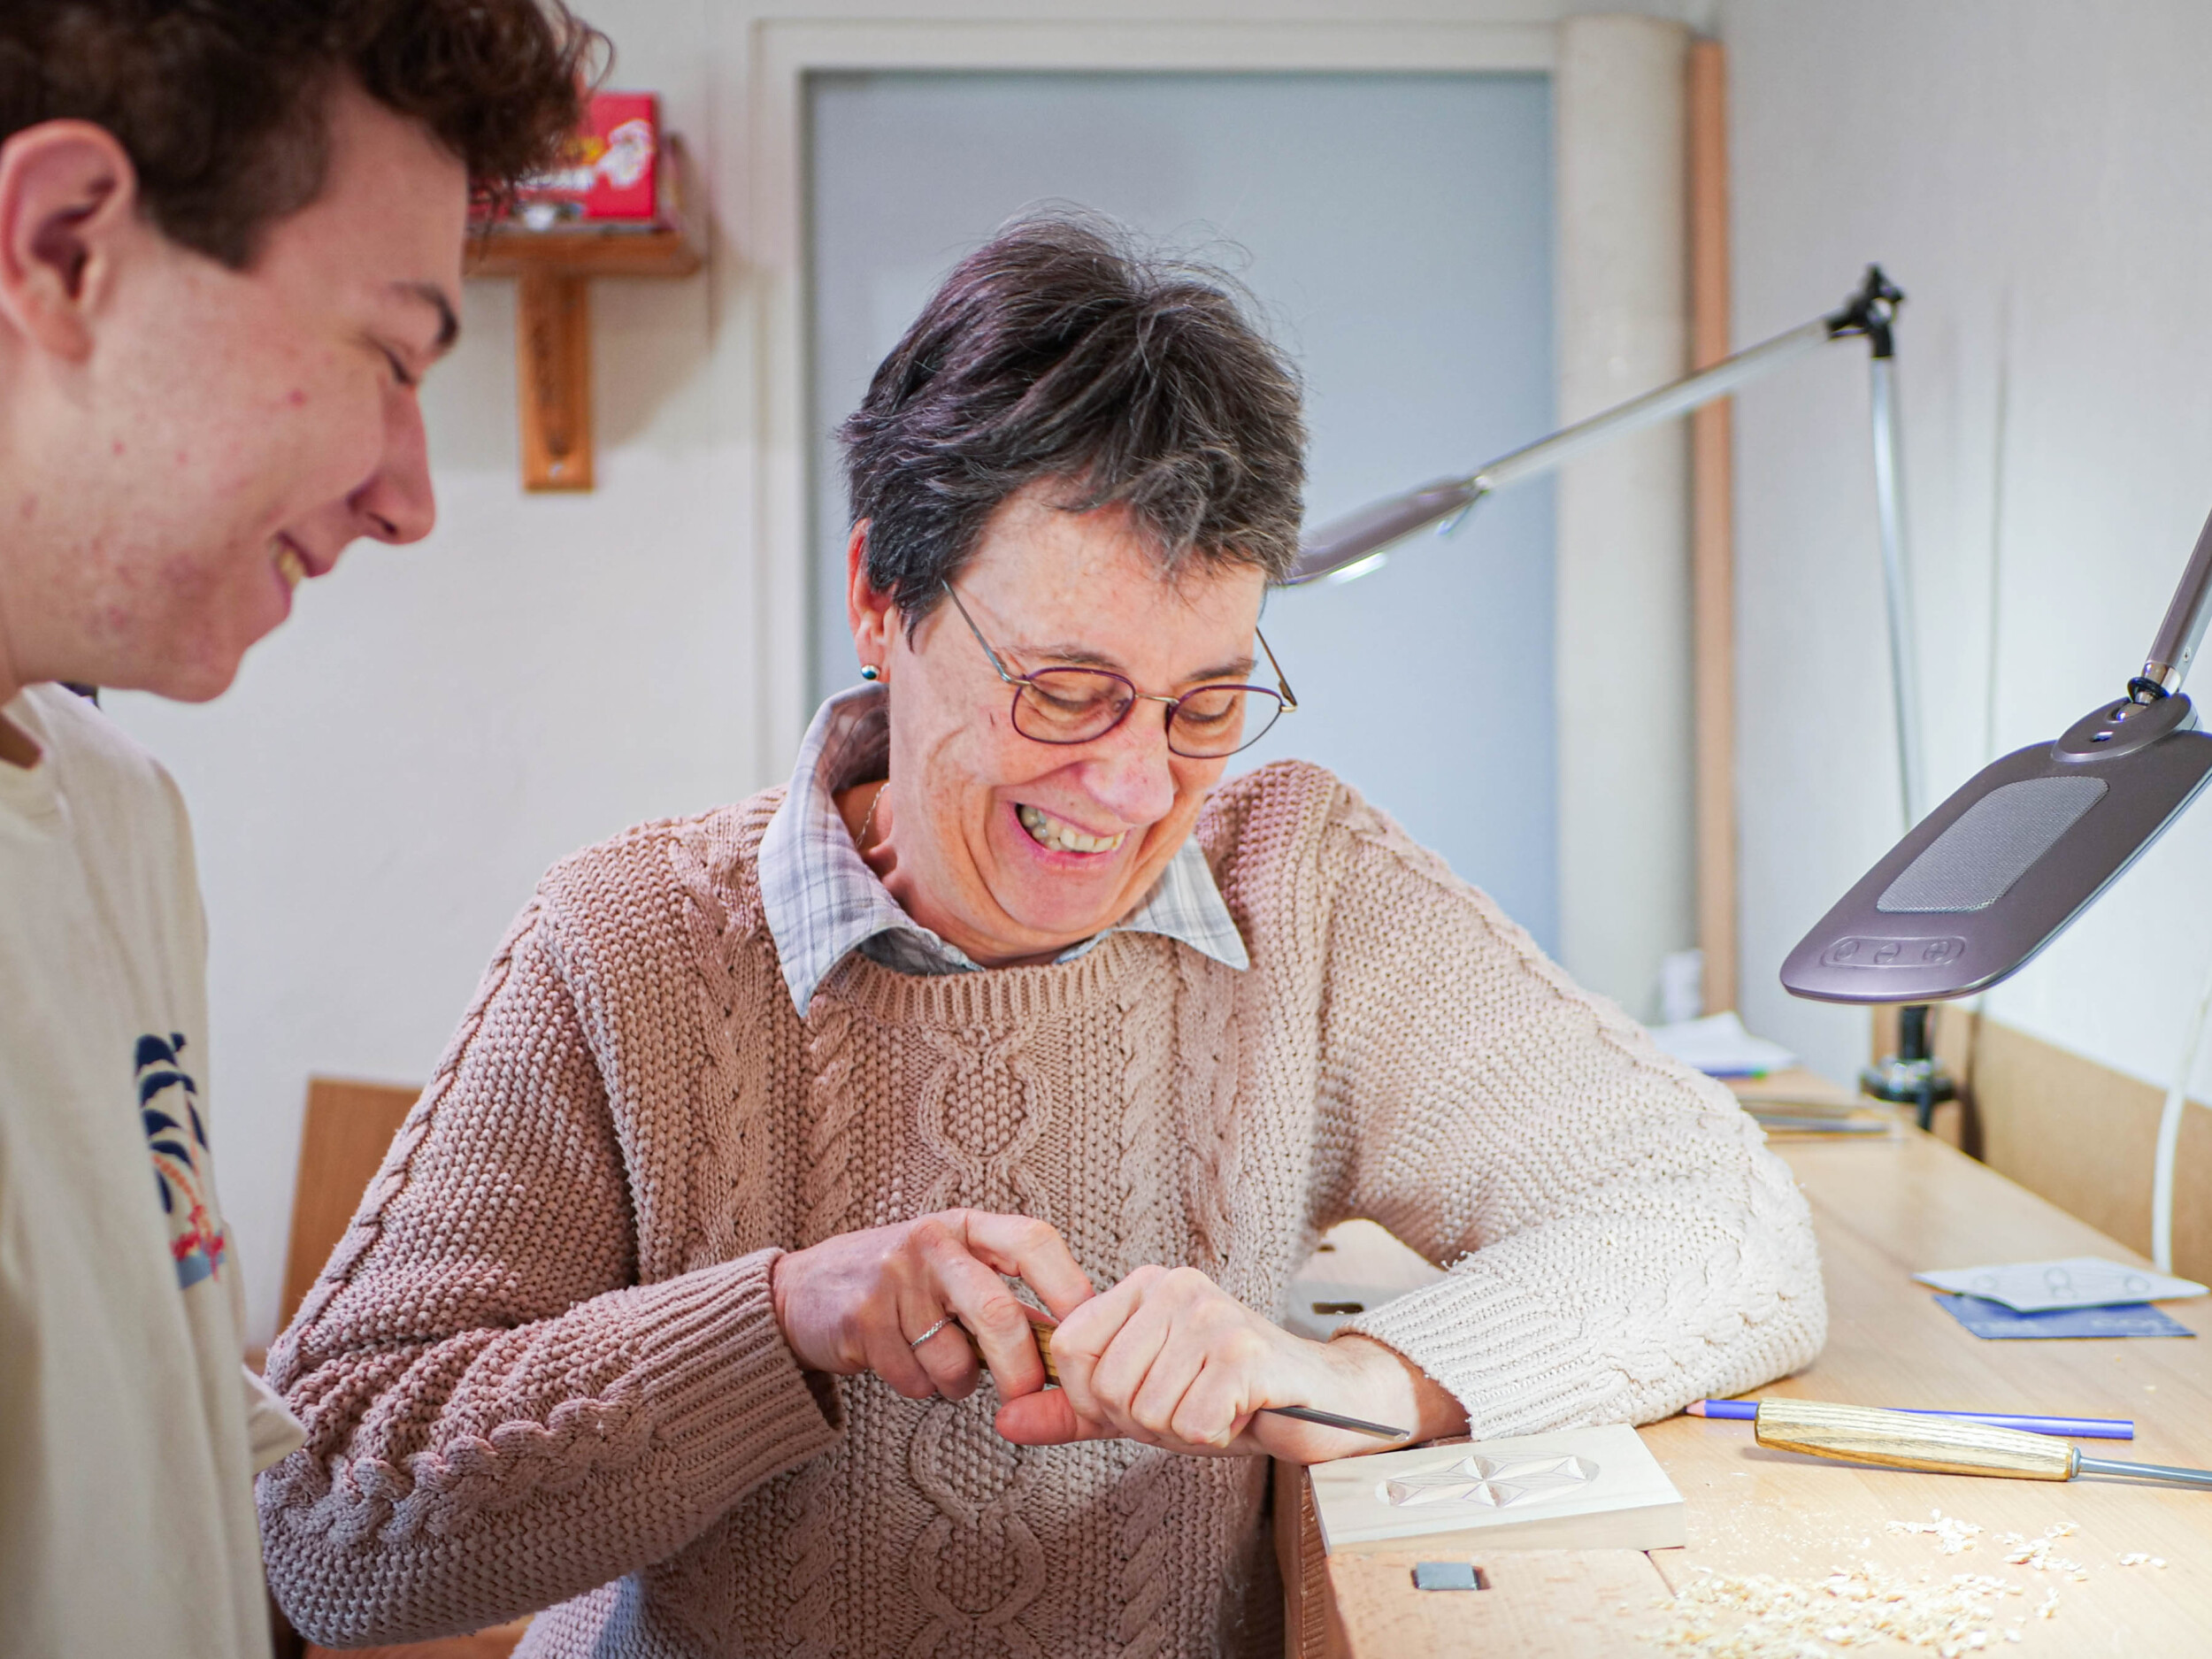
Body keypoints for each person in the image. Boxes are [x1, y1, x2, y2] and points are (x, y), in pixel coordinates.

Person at [257, 217, 1826, 1658]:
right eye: (1064, 692)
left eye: (1204, 703)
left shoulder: (1302, 889)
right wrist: (780, 1320)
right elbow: (322, 1526)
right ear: (883, 595)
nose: (1136, 784)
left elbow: (1720, 1221)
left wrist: (1348, 1379)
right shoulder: (635, 945)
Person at [0, 4, 595, 1654]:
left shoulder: (114, 819)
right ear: (63, 250)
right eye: (392, 359)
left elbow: (173, 1465)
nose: (407, 494)